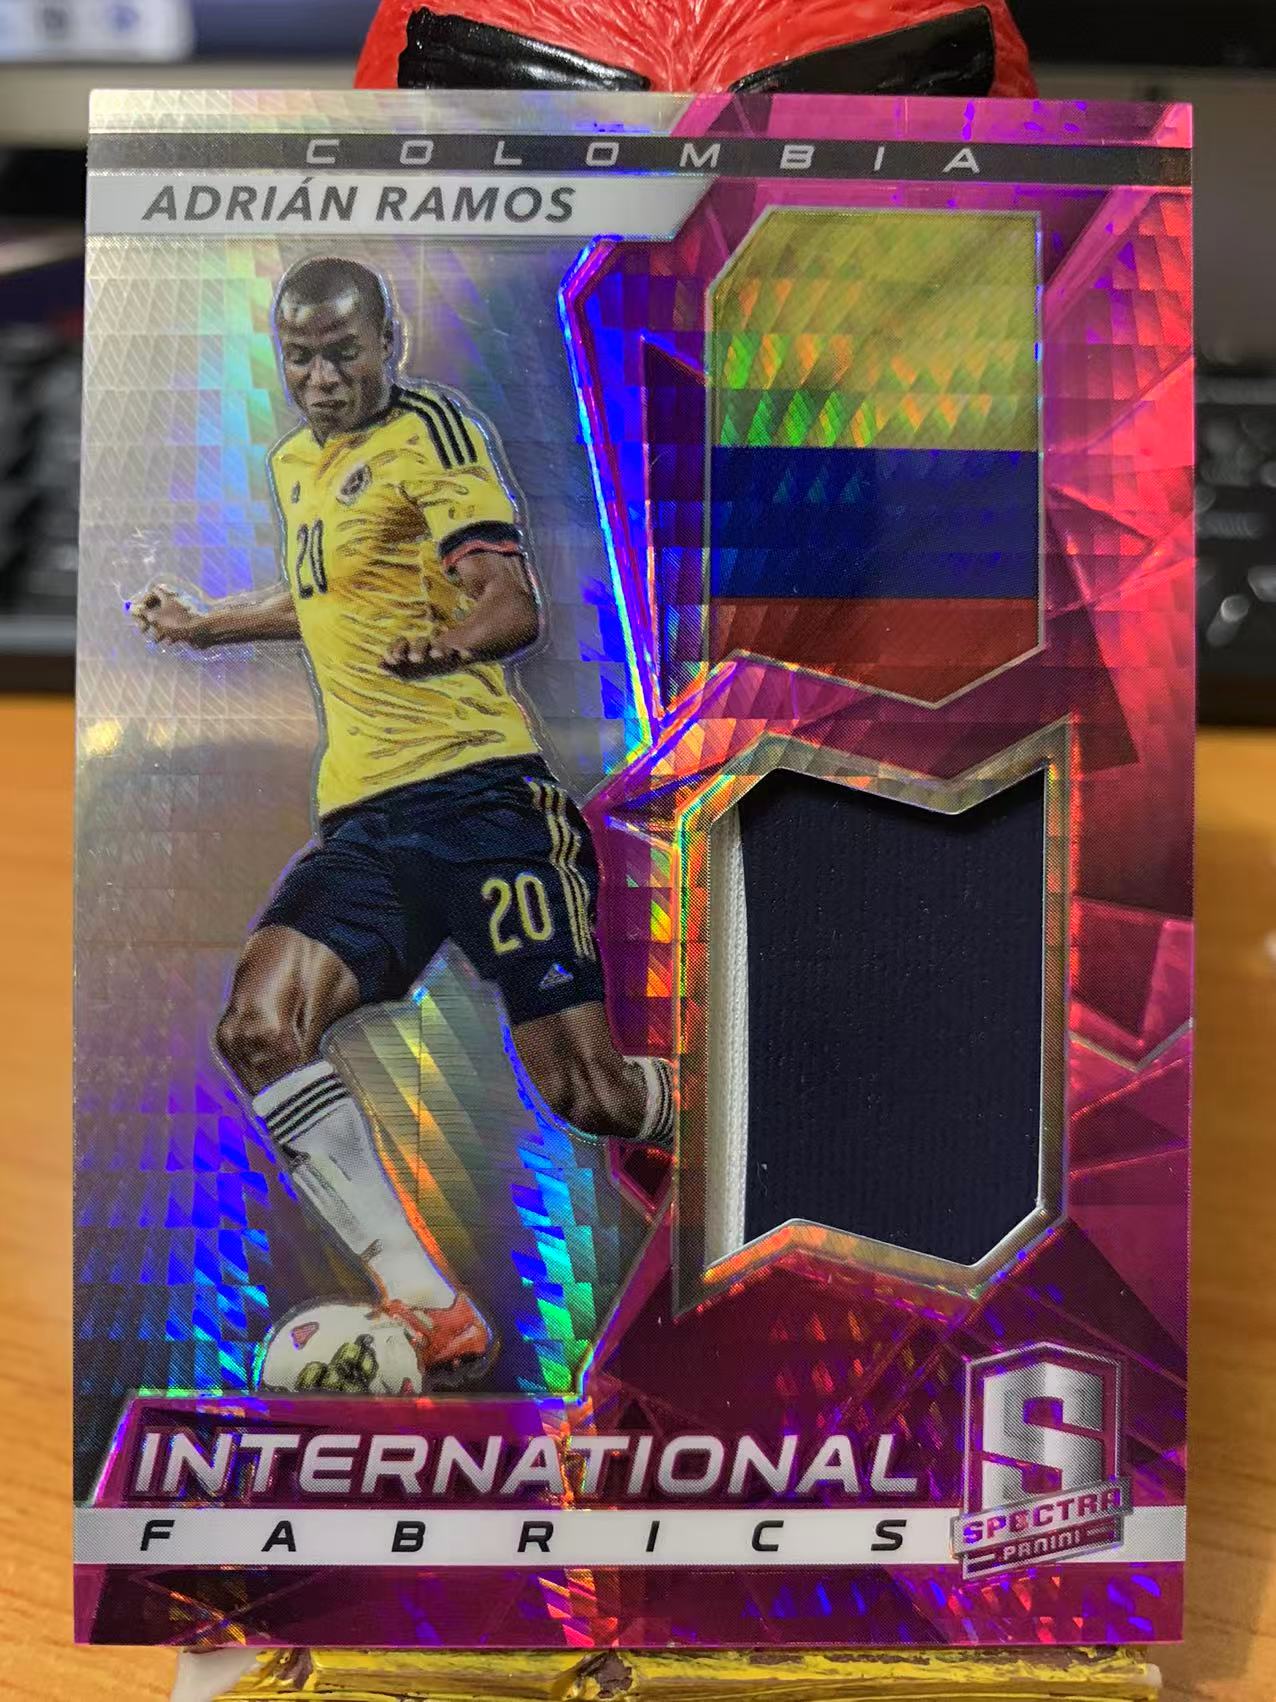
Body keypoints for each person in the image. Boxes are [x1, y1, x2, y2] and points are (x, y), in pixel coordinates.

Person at [131, 255, 672, 1385]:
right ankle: (428, 1306)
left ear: (390, 344)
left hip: (482, 801)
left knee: (590, 1098)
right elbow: (329, 595)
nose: (322, 379)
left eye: (343, 354)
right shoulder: (295, 464)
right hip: (367, 823)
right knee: (258, 1028)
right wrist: (209, 624)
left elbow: (509, 602)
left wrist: (452, 641)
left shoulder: (434, 432)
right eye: (300, 359)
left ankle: (741, 1117)